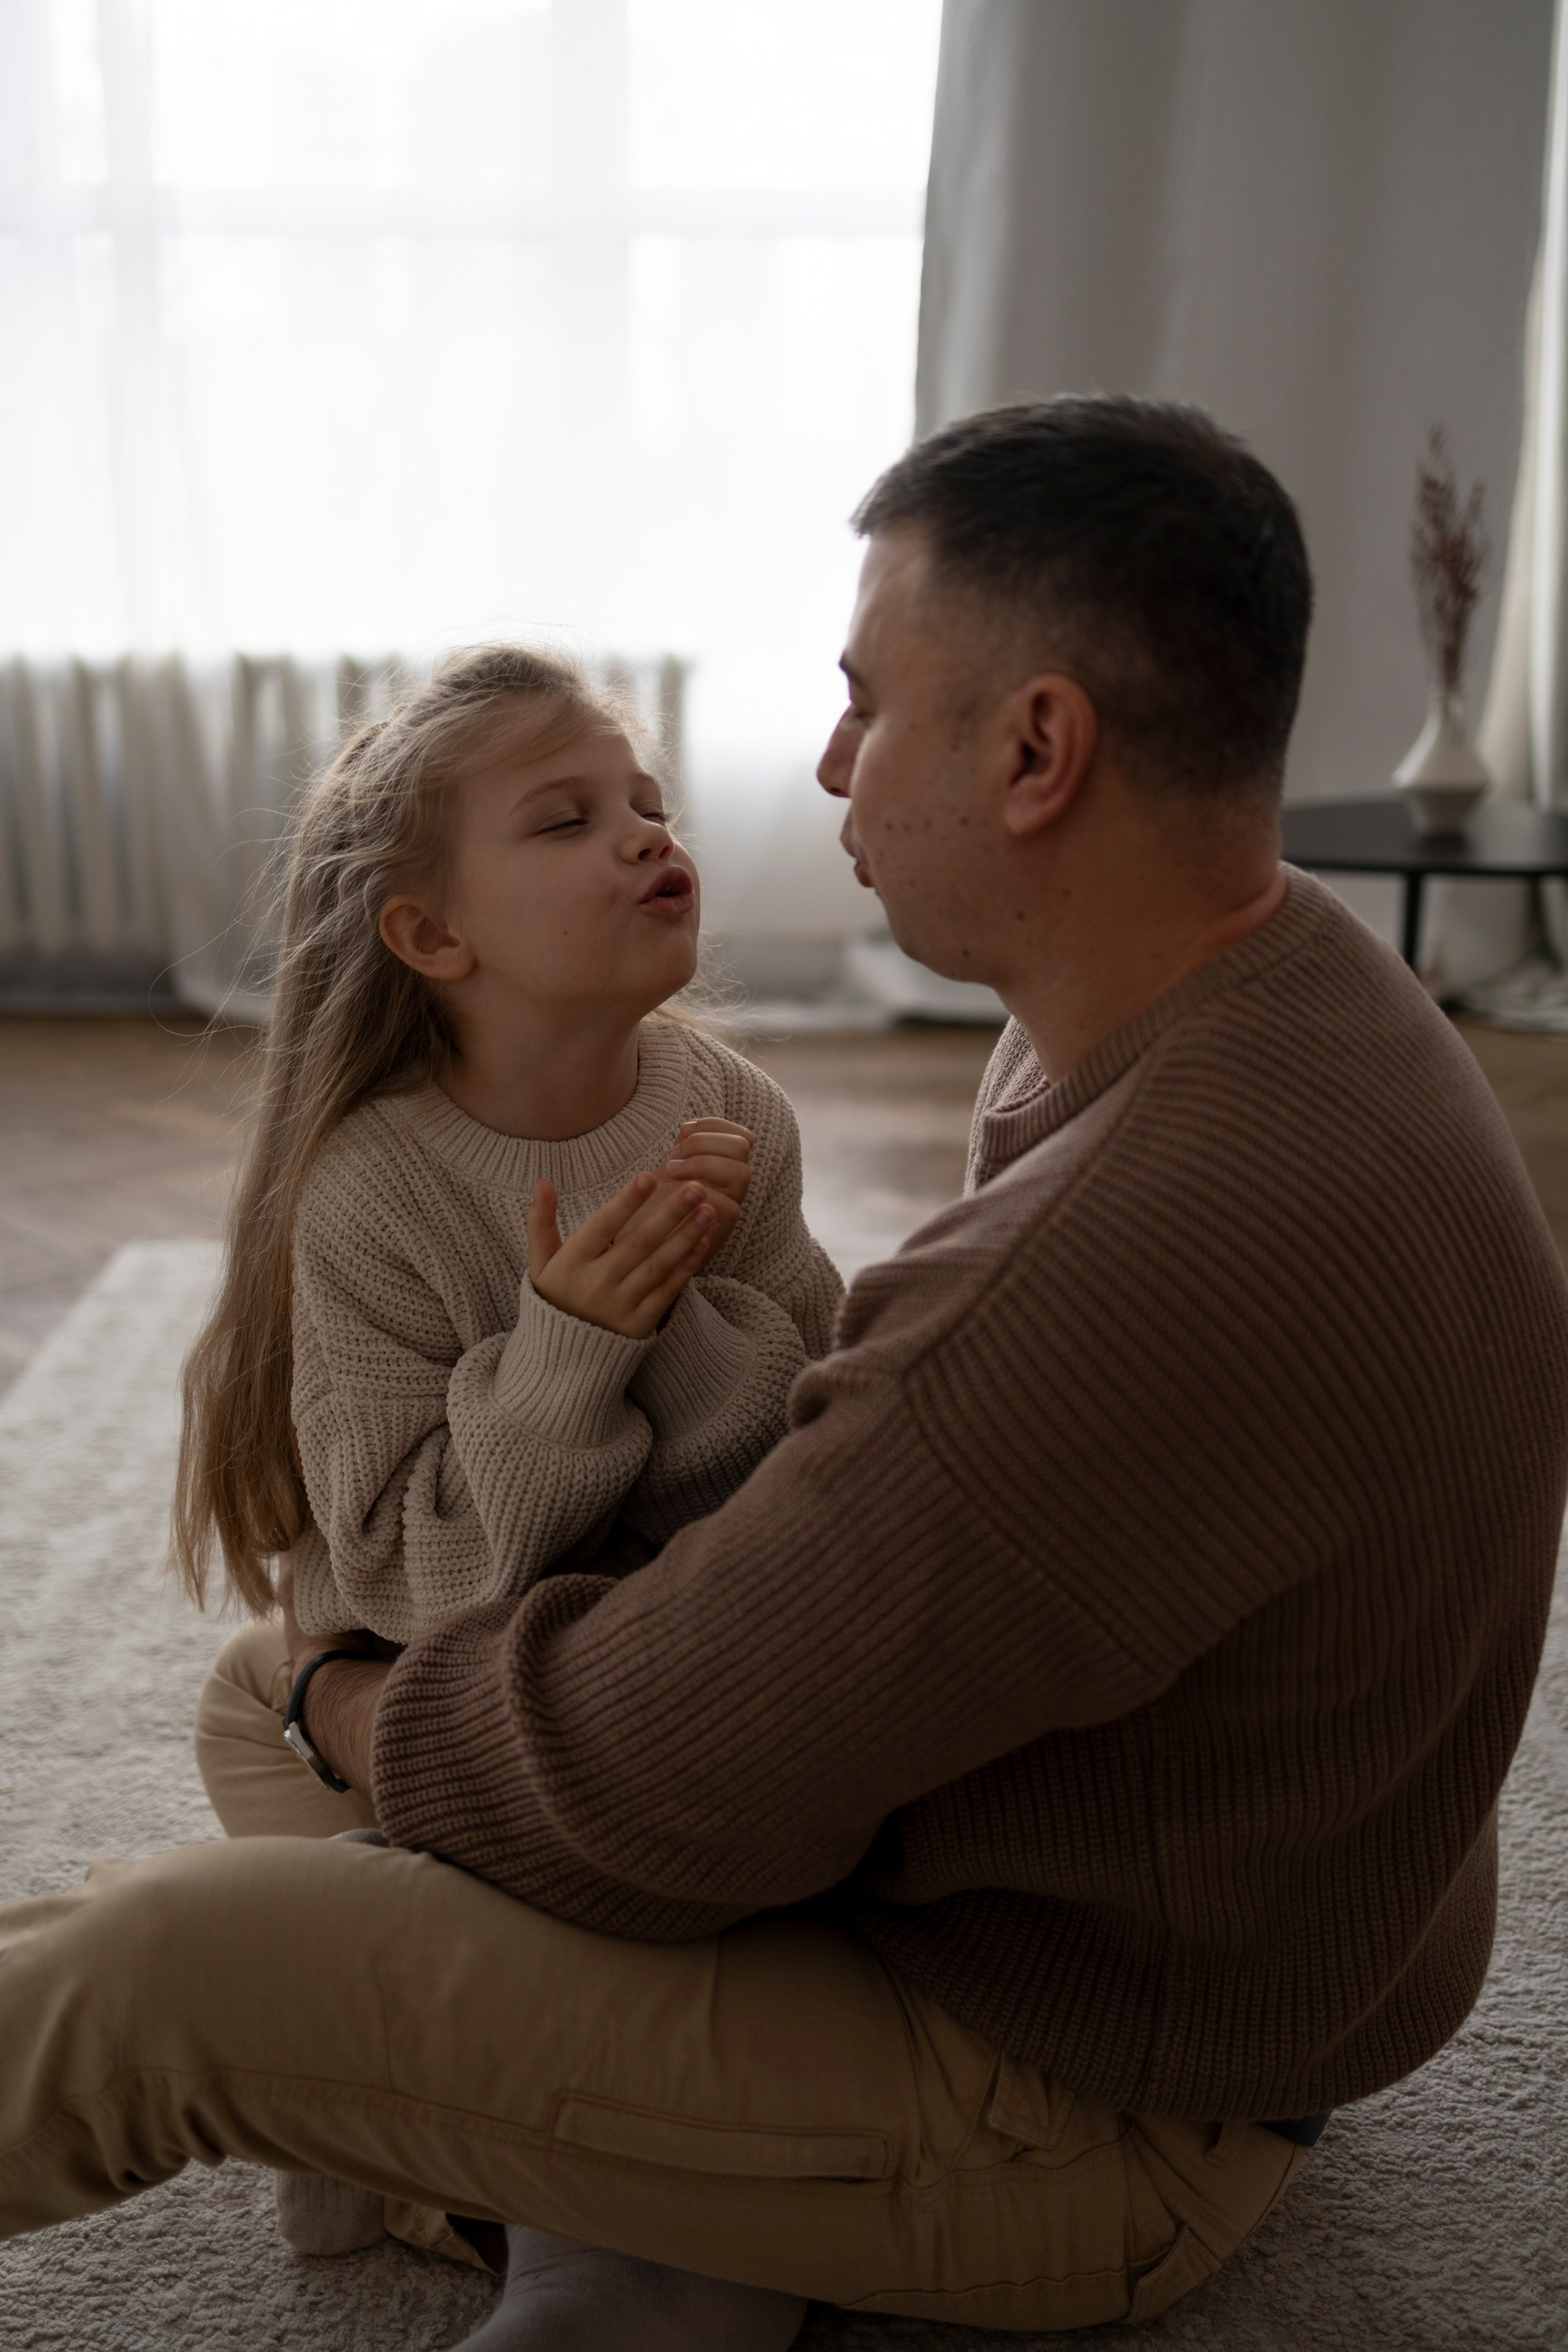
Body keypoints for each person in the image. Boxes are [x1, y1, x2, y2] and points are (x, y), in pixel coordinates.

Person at [2, 398, 1566, 2346]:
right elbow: (832, 1562)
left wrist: (354, 1703)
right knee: (278, 1685)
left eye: (864, 701)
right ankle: (618, 2215)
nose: (825, 761)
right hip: (1235, 1944)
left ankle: (616, 2208)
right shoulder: (1293, 986)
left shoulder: (1094, 1272)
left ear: (1035, 750)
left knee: (164, 1961)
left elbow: (659, 1791)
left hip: (1086, 2098)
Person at [169, 642, 839, 2326]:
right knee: (257, 1705)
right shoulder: (375, 1191)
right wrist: (566, 1352)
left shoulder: (733, 1116)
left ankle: (438, 2140)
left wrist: (670, 1321)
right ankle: (439, 2120)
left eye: (647, 803)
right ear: (431, 937)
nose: (644, 834)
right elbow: (412, 1583)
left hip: (659, 1694)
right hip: (466, 1663)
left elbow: (810, 1494)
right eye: (567, 818)